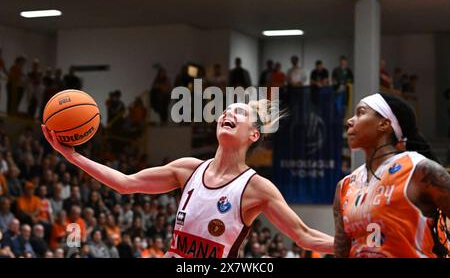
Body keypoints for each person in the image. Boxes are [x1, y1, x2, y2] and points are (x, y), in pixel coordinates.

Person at [42, 99, 334, 258]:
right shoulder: (187, 169)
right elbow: (125, 183)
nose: (227, 114)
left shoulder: (256, 187)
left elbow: (305, 236)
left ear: (253, 134)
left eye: (238, 112)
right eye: (225, 111)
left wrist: (356, 247)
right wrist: (72, 156)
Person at [334, 92, 450, 258]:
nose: (349, 121)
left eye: (360, 113)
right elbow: (341, 251)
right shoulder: (344, 186)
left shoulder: (419, 170)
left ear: (384, 124)